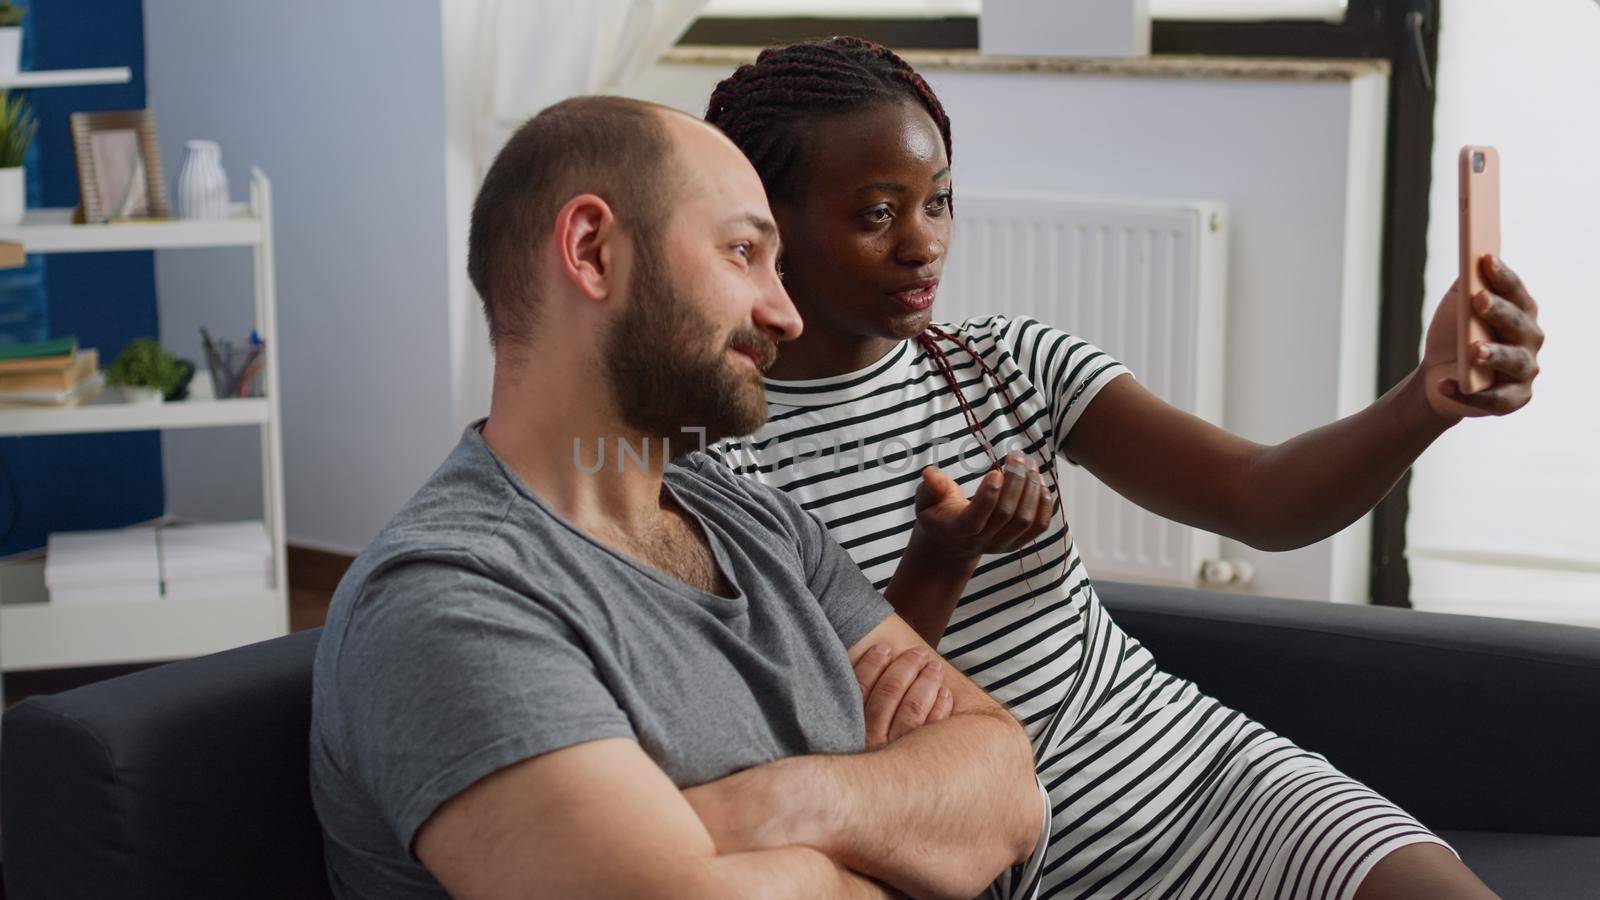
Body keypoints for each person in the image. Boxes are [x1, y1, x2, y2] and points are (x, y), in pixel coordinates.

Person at [705, 37, 1542, 899]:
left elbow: (1263, 500)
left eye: (940, 200)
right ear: (769, 227)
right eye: (878, 214)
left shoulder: (1014, 363)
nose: (925, 244)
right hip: (996, 846)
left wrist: (1426, 400)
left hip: (1202, 776)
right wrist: (940, 564)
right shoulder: (718, 460)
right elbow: (826, 729)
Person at [309, 95, 1051, 899]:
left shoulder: (760, 521)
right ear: (592, 251)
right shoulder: (450, 600)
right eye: (742, 252)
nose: (786, 315)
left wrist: (781, 802)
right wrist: (900, 825)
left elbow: (1009, 781)